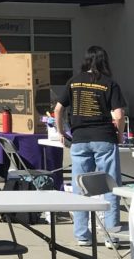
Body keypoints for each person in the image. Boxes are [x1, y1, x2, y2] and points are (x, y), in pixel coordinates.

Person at [53, 46, 125, 247]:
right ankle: (111, 235)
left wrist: (61, 132)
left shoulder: (74, 81)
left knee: (80, 187)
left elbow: (58, 109)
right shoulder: (109, 83)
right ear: (105, 62)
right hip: (104, 138)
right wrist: (120, 135)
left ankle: (82, 235)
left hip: (80, 138)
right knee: (110, 186)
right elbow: (118, 115)